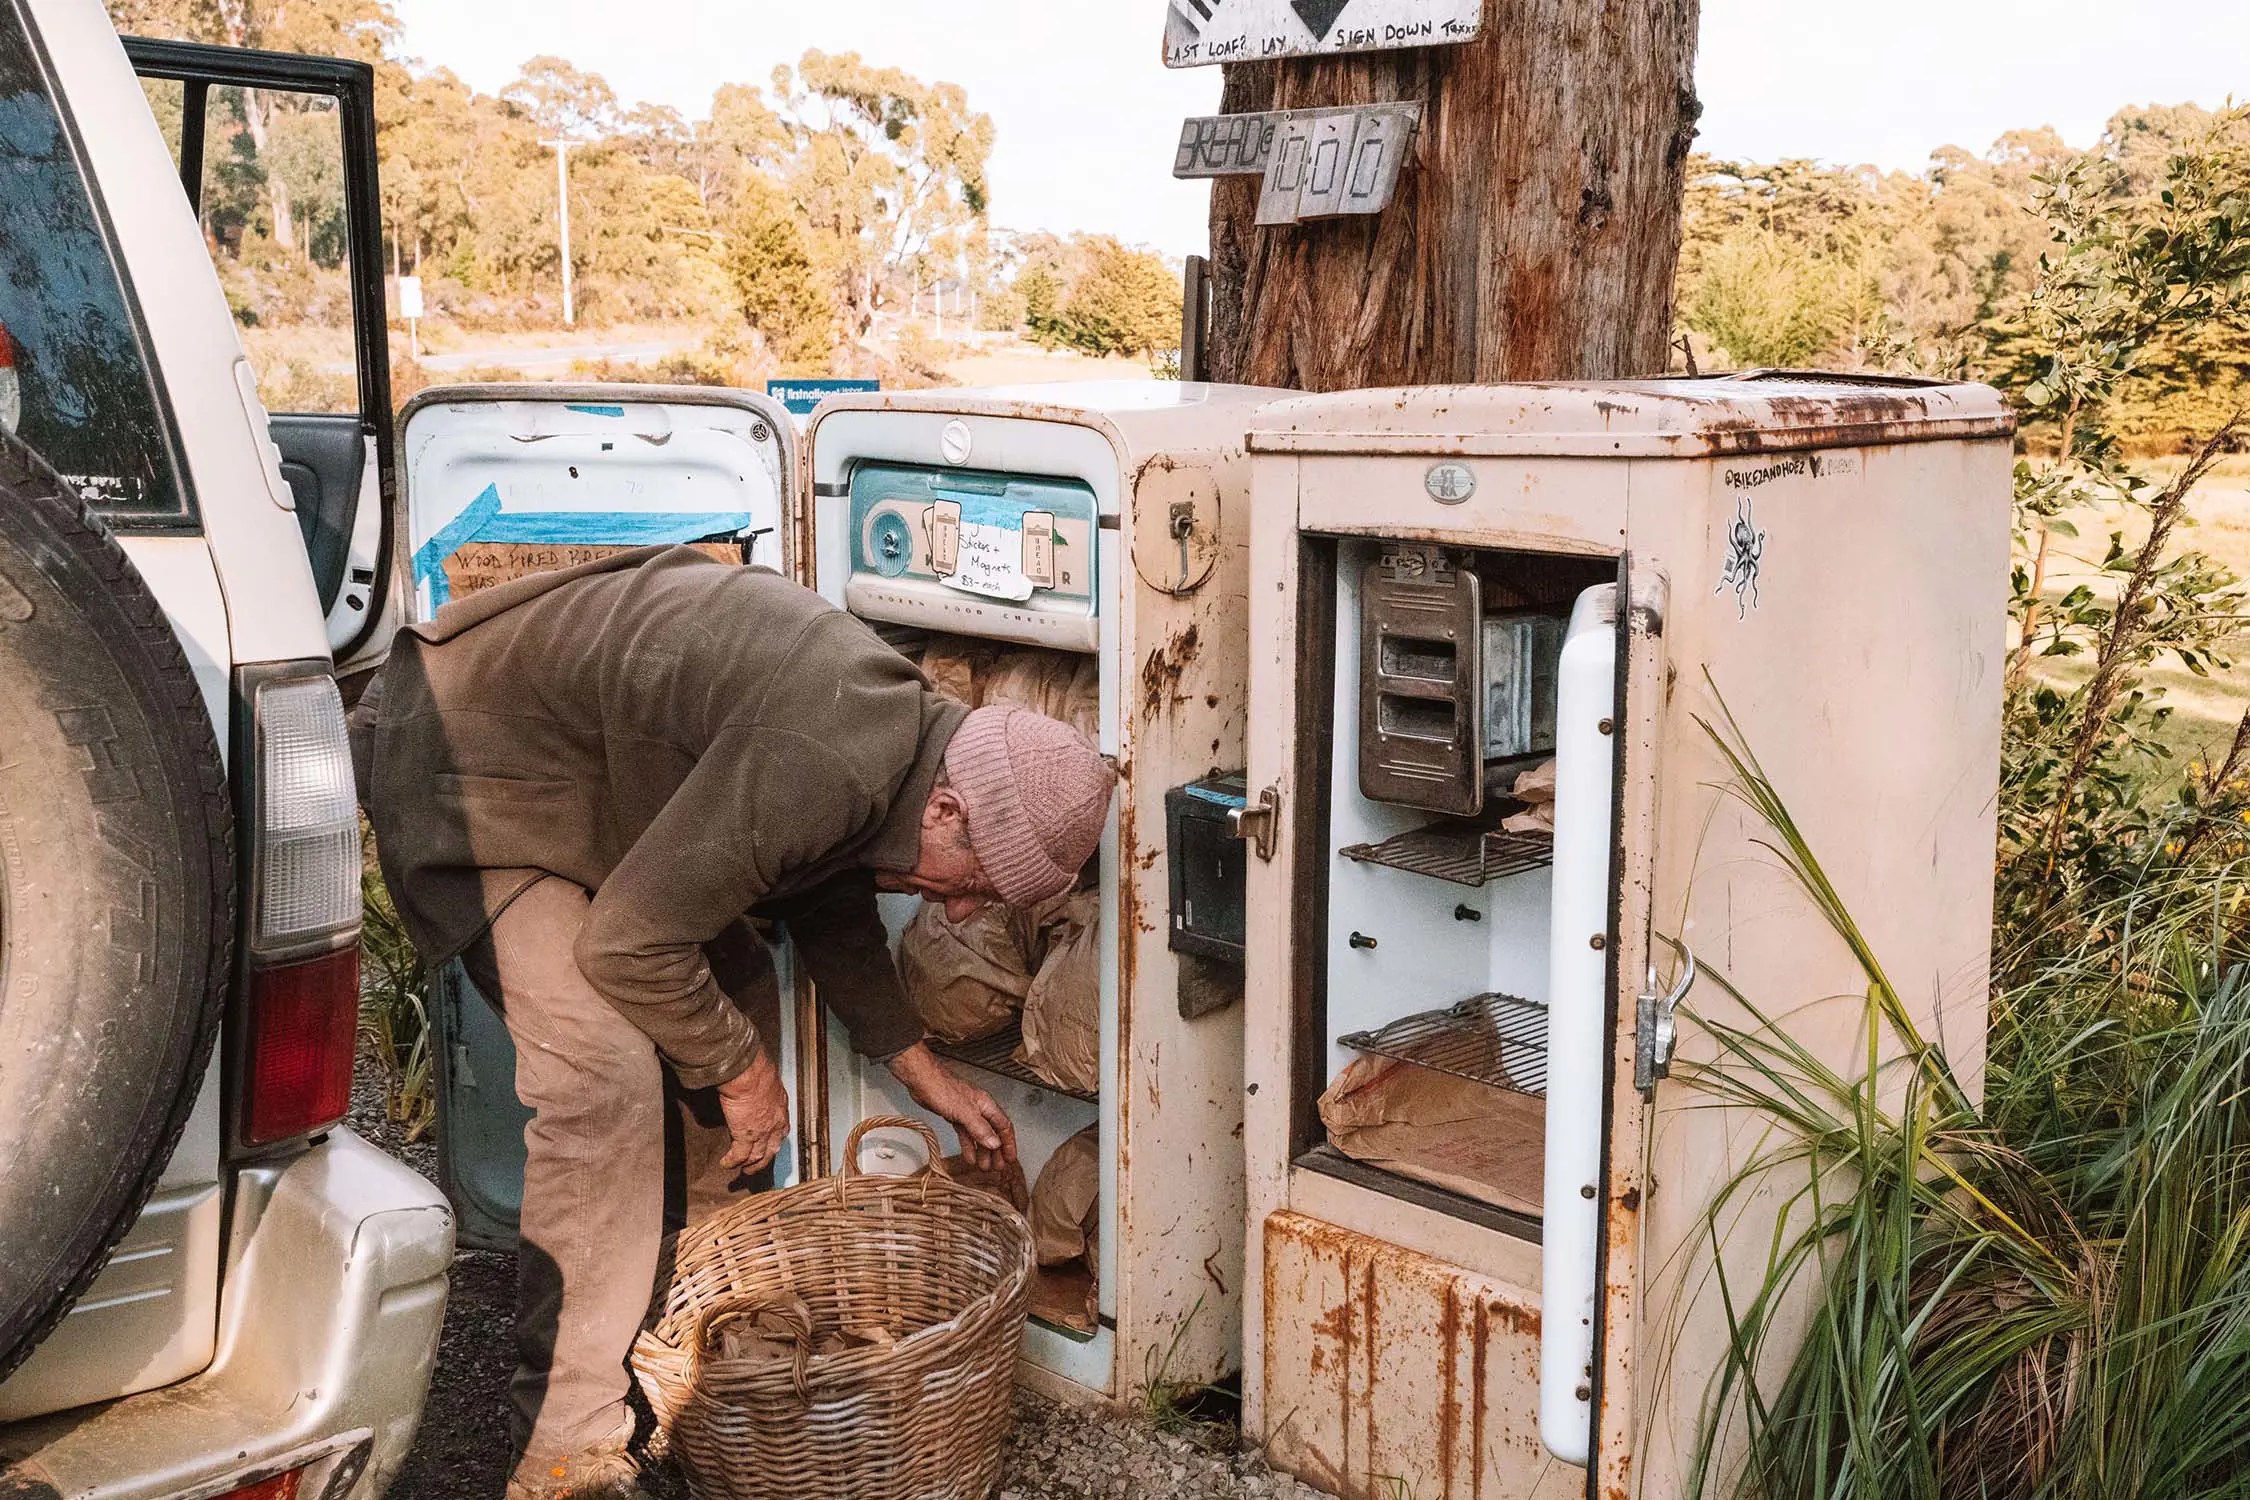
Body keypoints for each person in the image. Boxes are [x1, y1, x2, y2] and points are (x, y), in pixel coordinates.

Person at [351, 545, 1115, 1500]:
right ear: (949, 810)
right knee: (603, 1080)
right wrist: (741, 1074)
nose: (960, 913)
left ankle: (689, 1331)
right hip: (472, 781)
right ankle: (565, 1448)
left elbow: (823, 893)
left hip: (595, 808)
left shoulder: (896, 743)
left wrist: (923, 1071)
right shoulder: (834, 754)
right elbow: (628, 946)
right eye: (975, 887)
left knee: (738, 991)